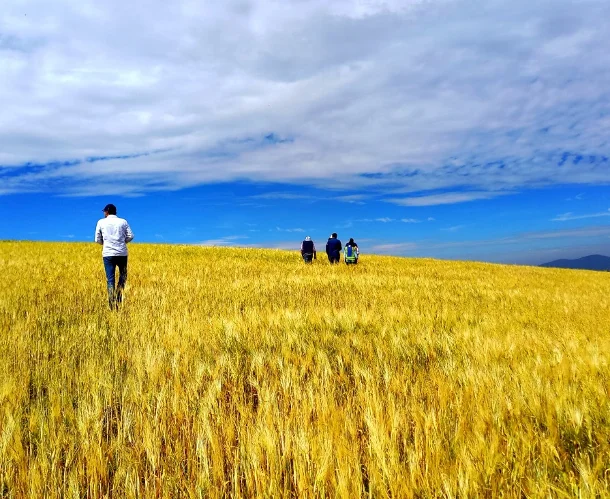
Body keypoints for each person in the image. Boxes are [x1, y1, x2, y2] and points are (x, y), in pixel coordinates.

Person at [95, 204, 134, 309]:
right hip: (122, 253)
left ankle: (112, 303)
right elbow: (131, 236)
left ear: (107, 211)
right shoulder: (123, 222)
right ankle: (119, 296)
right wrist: (122, 242)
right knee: (123, 276)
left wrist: (106, 243)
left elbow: (97, 239)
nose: (104, 213)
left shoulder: (101, 222)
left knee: (110, 279)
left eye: (104, 211)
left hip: (108, 254)